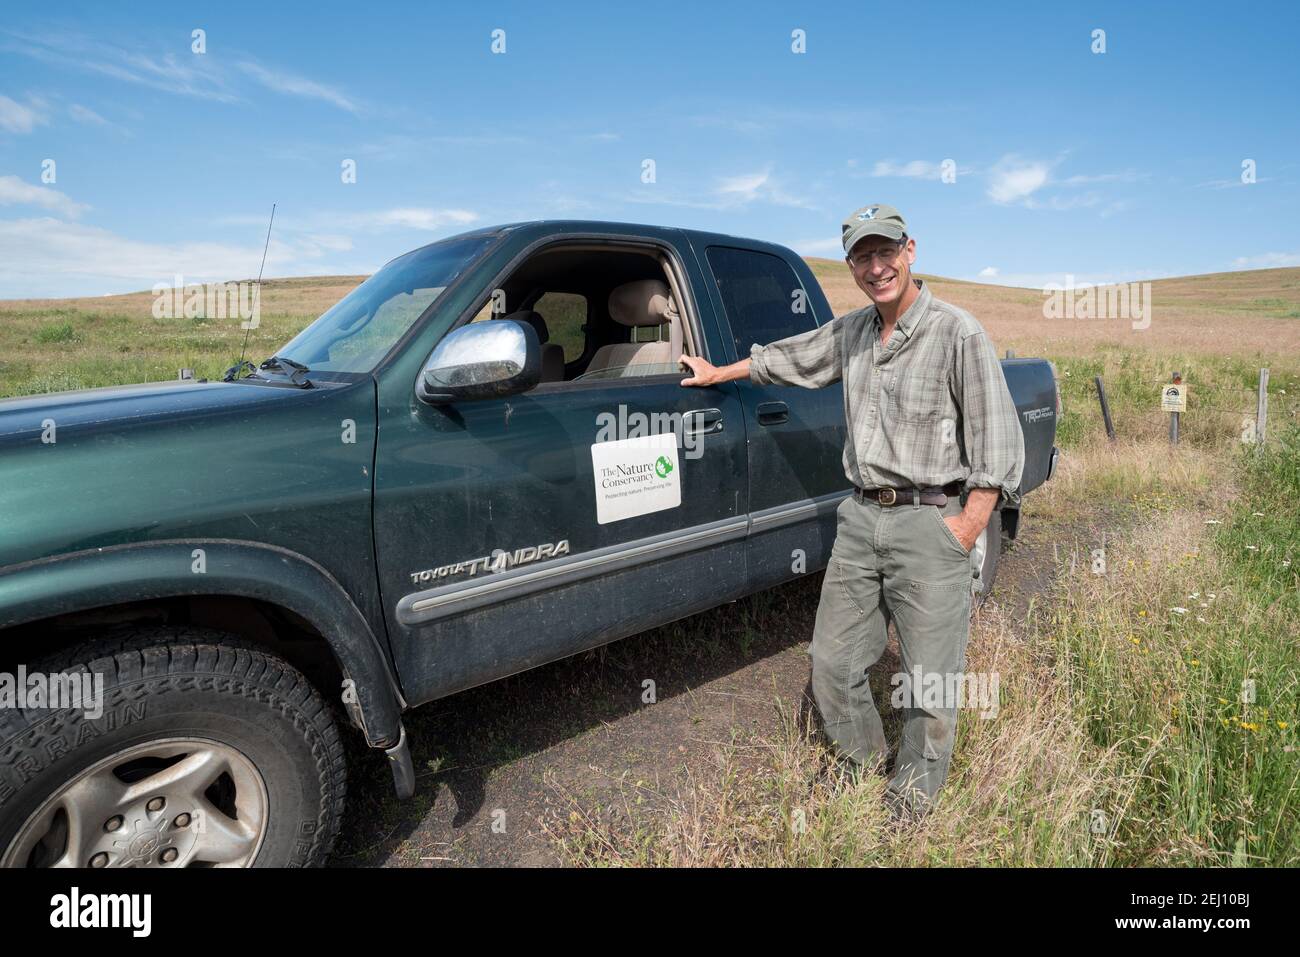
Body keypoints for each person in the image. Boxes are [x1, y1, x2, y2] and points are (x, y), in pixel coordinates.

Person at [679, 204, 1025, 818]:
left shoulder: (957, 332)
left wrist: (966, 528)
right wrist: (717, 372)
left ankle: (911, 803)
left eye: (884, 251)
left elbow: (998, 443)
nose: (876, 266)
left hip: (931, 519)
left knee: (931, 681)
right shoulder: (854, 331)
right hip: (862, 518)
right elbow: (788, 358)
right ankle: (863, 766)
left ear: (910, 250)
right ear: (852, 267)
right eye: (862, 257)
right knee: (831, 664)